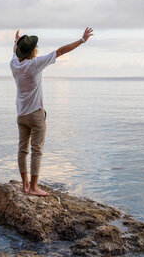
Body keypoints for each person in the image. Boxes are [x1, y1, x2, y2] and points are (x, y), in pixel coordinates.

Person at [10, 27, 94, 196]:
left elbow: (14, 52)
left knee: (22, 150)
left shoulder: (14, 64)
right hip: (35, 114)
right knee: (36, 150)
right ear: (33, 50)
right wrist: (82, 40)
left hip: (21, 115)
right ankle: (33, 188)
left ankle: (25, 185)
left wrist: (16, 42)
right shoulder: (35, 64)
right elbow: (61, 51)